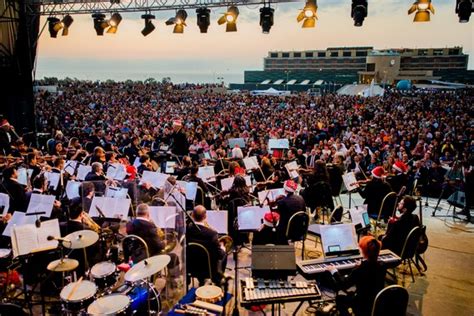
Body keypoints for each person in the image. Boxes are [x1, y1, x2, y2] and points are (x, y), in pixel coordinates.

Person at [328, 236, 387, 316]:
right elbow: (371, 266)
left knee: (340, 299)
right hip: (378, 302)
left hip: (362, 304)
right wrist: (362, 264)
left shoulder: (360, 269)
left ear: (364, 251)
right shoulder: (382, 265)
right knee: (353, 294)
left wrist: (333, 271)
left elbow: (344, 284)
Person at [186, 205, 227, 285]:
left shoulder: (187, 230)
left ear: (192, 215)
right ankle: (217, 279)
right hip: (208, 270)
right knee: (224, 254)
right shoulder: (212, 234)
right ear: (205, 216)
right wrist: (222, 246)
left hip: (191, 267)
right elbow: (220, 255)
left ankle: (201, 280)